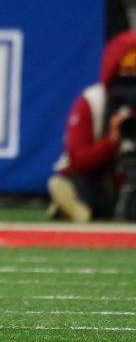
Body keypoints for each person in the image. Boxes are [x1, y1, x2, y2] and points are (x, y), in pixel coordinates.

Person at [47, 31, 136, 222]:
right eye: (128, 66)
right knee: (81, 186)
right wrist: (111, 142)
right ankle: (76, 203)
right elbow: (78, 159)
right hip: (99, 178)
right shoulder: (92, 101)